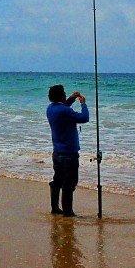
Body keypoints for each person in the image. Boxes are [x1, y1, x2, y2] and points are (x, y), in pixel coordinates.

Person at [46, 84, 89, 217]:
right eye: (64, 94)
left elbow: (63, 109)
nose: (65, 95)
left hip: (57, 153)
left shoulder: (51, 108)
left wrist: (71, 99)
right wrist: (83, 104)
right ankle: (68, 211)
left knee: (57, 180)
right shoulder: (64, 111)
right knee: (69, 183)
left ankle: (55, 208)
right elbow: (84, 118)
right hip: (69, 154)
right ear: (61, 96)